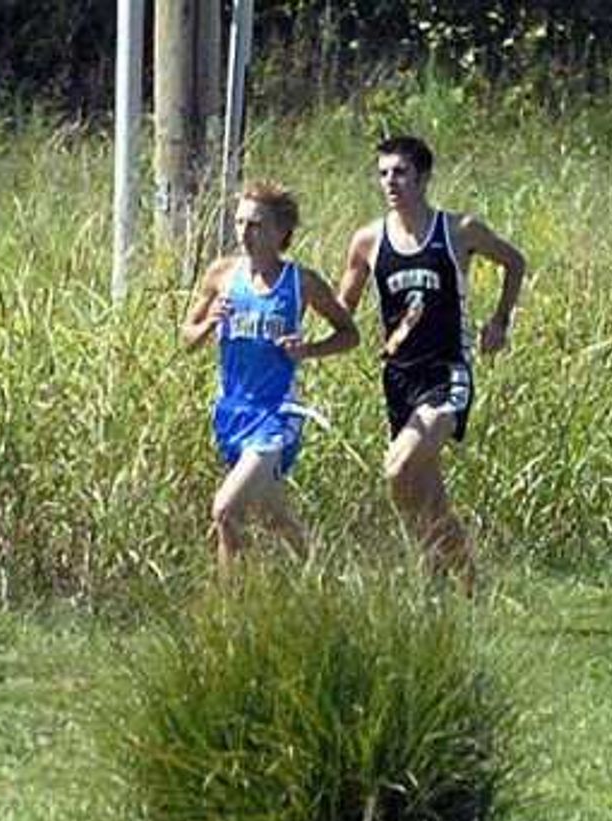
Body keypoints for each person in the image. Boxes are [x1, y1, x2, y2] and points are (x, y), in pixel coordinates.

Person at [336, 133, 530, 588]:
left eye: (400, 172)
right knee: (420, 489)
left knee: (398, 467)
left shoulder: (459, 231)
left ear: (423, 177)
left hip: (449, 372)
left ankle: (435, 567)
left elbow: (514, 262)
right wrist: (293, 317)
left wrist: (500, 321)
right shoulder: (368, 240)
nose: (391, 182)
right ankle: (465, 580)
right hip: (399, 378)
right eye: (383, 173)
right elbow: (342, 308)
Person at [182, 180, 360, 566]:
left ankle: (231, 611)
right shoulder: (222, 275)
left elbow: (349, 335)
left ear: (281, 232)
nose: (245, 233)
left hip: (277, 413)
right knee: (273, 516)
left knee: (225, 511)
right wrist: (210, 322)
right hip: (232, 411)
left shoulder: (301, 283)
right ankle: (321, 575)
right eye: (240, 222)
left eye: (256, 225)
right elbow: (187, 337)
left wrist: (307, 350)